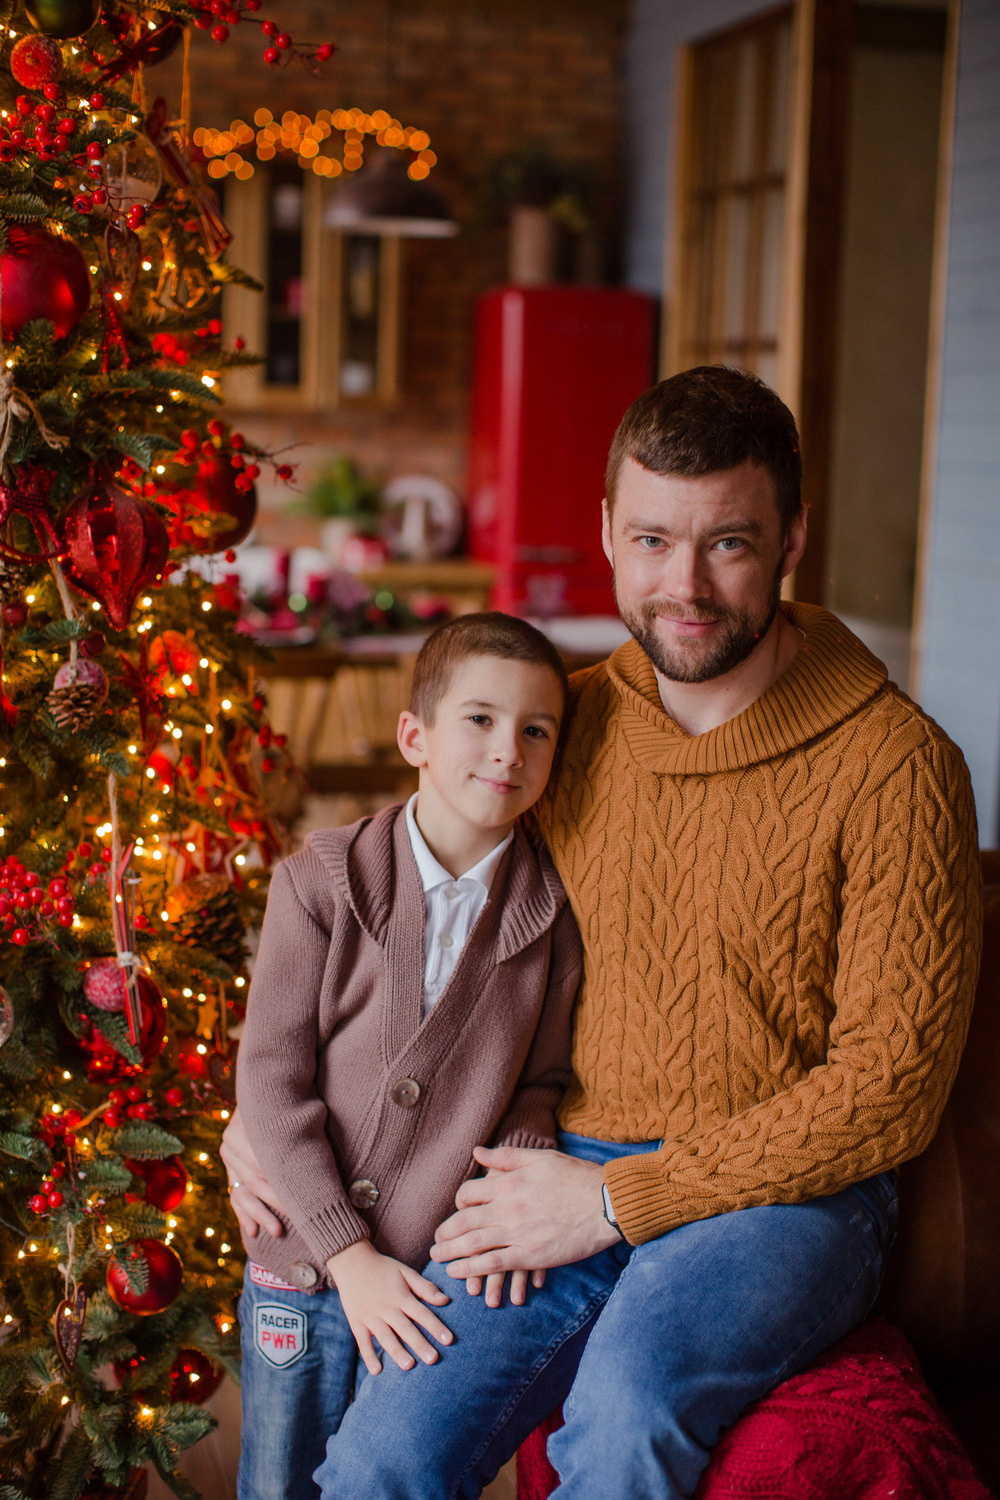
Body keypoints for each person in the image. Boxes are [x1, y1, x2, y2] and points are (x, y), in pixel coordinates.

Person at [225, 367, 981, 1499]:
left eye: (727, 542)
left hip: (782, 1203)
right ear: (606, 535)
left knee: (626, 1414)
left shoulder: (898, 766)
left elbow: (889, 1088)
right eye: (651, 540)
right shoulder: (557, 726)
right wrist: (258, 1126)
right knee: (385, 1454)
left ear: (791, 538)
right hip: (555, 1166)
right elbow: (379, 907)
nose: (684, 585)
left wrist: (624, 1201)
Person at [230, 612, 582, 1500]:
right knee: (279, 1484)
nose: (508, 749)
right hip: (305, 1268)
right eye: (480, 719)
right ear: (415, 736)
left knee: (398, 1476)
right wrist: (349, 1258)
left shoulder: (551, 915)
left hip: (430, 1284)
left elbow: (539, 1087)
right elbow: (271, 1083)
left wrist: (512, 1187)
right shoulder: (320, 882)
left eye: (535, 730)